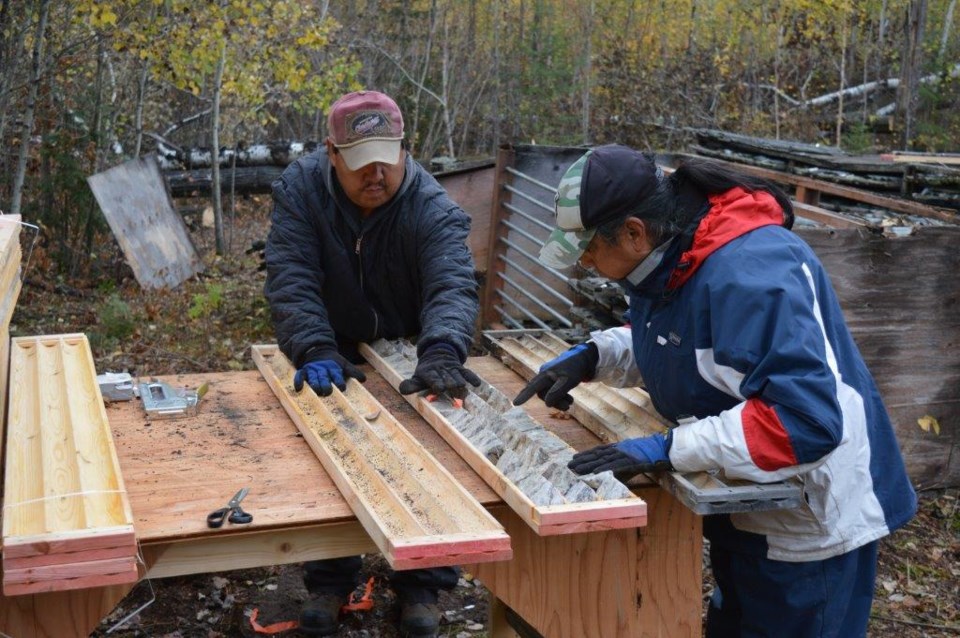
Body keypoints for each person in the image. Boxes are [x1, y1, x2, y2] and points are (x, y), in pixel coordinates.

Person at [513, 144, 918, 638]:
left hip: (813, 526)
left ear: (634, 232)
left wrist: (667, 448)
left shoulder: (750, 272)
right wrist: (595, 356)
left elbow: (803, 423)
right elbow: (687, 344)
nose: (586, 264)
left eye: (590, 250)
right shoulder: (674, 256)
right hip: (748, 505)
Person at [263, 90, 481, 637]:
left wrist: (442, 350)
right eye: (360, 163)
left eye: (388, 157)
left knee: (433, 453)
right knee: (332, 451)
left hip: (411, 343)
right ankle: (329, 581)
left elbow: (452, 283)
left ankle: (423, 587)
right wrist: (313, 346)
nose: (377, 174)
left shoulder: (430, 205)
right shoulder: (301, 191)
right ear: (331, 154)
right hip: (333, 338)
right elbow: (291, 277)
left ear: (405, 148)